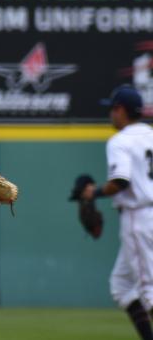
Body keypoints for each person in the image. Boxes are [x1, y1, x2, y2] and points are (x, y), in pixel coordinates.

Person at [81, 85, 153, 340]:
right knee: (122, 286)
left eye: (112, 109)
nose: (111, 115)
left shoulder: (120, 140)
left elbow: (121, 181)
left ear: (120, 110)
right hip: (148, 212)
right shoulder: (150, 134)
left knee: (149, 291)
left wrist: (94, 193)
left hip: (139, 216)